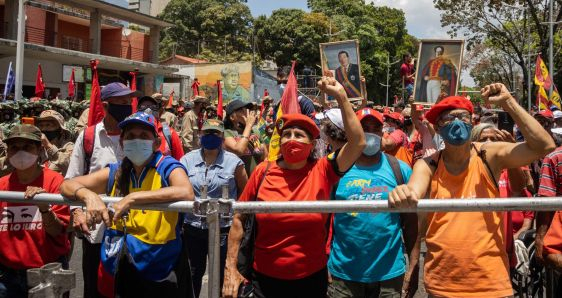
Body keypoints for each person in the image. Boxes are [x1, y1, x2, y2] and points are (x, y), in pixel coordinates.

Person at [389, 83, 555, 297]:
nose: (457, 122)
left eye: (463, 116)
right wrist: (403, 192)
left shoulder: (489, 155)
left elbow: (544, 145)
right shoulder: (429, 164)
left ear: (471, 121)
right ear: (437, 128)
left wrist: (508, 102)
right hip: (442, 285)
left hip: (490, 284)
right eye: (449, 118)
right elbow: (414, 189)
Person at [222, 77, 366, 298]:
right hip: (264, 281)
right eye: (286, 134)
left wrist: (341, 96)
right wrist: (230, 268)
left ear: (311, 145)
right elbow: (239, 218)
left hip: (310, 280)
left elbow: (357, 143)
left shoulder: (323, 170)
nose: (291, 139)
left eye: (299, 135)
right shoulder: (263, 172)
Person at [60, 111, 195, 297]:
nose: (136, 141)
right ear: (122, 143)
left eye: (143, 136)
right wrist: (88, 196)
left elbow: (186, 192)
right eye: (130, 136)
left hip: (160, 266)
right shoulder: (117, 171)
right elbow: (67, 185)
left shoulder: (167, 165)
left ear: (156, 143)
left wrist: (132, 198)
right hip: (119, 264)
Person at [327, 107, 418, 298]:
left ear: (382, 132)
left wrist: (414, 266)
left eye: (375, 128)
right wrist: (323, 261)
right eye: (363, 127)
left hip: (389, 276)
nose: (370, 132)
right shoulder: (334, 169)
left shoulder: (399, 170)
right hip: (344, 274)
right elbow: (323, 220)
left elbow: (411, 225)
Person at [65, 82, 139, 298]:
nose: (127, 107)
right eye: (121, 103)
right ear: (106, 106)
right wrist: (77, 211)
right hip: (97, 233)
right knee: (96, 291)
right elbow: (71, 180)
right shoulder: (88, 137)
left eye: (129, 102)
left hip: (135, 232)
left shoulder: (138, 136)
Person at [0, 125, 70, 298]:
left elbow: (57, 230)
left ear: (39, 150)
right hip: (6, 276)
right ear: (7, 152)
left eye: (27, 147)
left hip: (47, 271)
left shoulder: (55, 181)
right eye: (14, 147)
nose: (20, 152)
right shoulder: (2, 186)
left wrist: (44, 206)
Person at [180, 119, 248, 297]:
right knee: (192, 274)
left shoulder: (234, 162)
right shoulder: (186, 160)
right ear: (200, 135)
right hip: (193, 228)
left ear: (222, 137)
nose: (211, 137)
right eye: (207, 133)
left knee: (221, 275)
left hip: (224, 229)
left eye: (215, 133)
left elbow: (245, 191)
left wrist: (237, 218)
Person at [224, 99, 265, 176]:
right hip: (238, 183)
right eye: (241, 110)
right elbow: (239, 150)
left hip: (257, 180)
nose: (247, 112)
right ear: (232, 117)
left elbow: (265, 157)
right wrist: (249, 125)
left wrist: (260, 150)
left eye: (247, 109)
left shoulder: (255, 132)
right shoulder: (227, 133)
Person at [137, 95, 185, 160]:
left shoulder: (170, 133)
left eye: (153, 107)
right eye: (143, 107)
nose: (148, 110)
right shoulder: (132, 133)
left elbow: (180, 161)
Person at [35, 110, 75, 176]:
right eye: (41, 125)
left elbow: (71, 167)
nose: (44, 129)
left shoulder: (68, 147)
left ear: (60, 130)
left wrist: (48, 145)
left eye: (48, 125)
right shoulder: (36, 147)